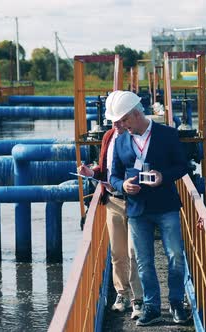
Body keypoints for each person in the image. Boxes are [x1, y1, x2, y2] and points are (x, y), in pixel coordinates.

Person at [107, 90, 190, 327]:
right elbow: (113, 176)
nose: (121, 126)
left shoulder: (167, 134)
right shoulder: (121, 140)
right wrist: (122, 185)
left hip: (166, 207)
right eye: (119, 121)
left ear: (135, 114)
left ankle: (176, 304)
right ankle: (152, 307)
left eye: (124, 120)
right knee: (143, 261)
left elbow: (182, 166)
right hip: (137, 210)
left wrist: (163, 176)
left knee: (175, 256)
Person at [77, 91, 143, 320]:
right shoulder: (108, 137)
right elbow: (104, 168)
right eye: (113, 121)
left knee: (135, 253)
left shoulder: (138, 137)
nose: (116, 124)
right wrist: (90, 172)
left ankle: (138, 300)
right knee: (117, 252)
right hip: (113, 201)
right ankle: (121, 294)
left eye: (119, 119)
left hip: (135, 202)